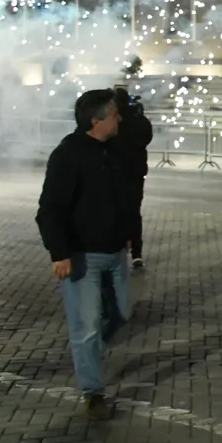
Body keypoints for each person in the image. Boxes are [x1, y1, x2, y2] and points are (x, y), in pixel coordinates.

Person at [36, 89, 136, 420]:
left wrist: (129, 236)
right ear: (95, 121)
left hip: (115, 252)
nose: (119, 118)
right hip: (83, 257)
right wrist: (60, 252)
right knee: (87, 326)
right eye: (113, 114)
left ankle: (89, 353)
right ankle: (92, 392)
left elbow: (125, 199)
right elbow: (49, 209)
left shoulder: (116, 151)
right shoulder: (68, 155)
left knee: (120, 314)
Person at [112, 87, 153, 271]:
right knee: (134, 213)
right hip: (136, 173)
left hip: (119, 173)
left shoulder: (116, 121)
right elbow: (147, 136)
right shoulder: (138, 120)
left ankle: (121, 249)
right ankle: (136, 253)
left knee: (117, 212)